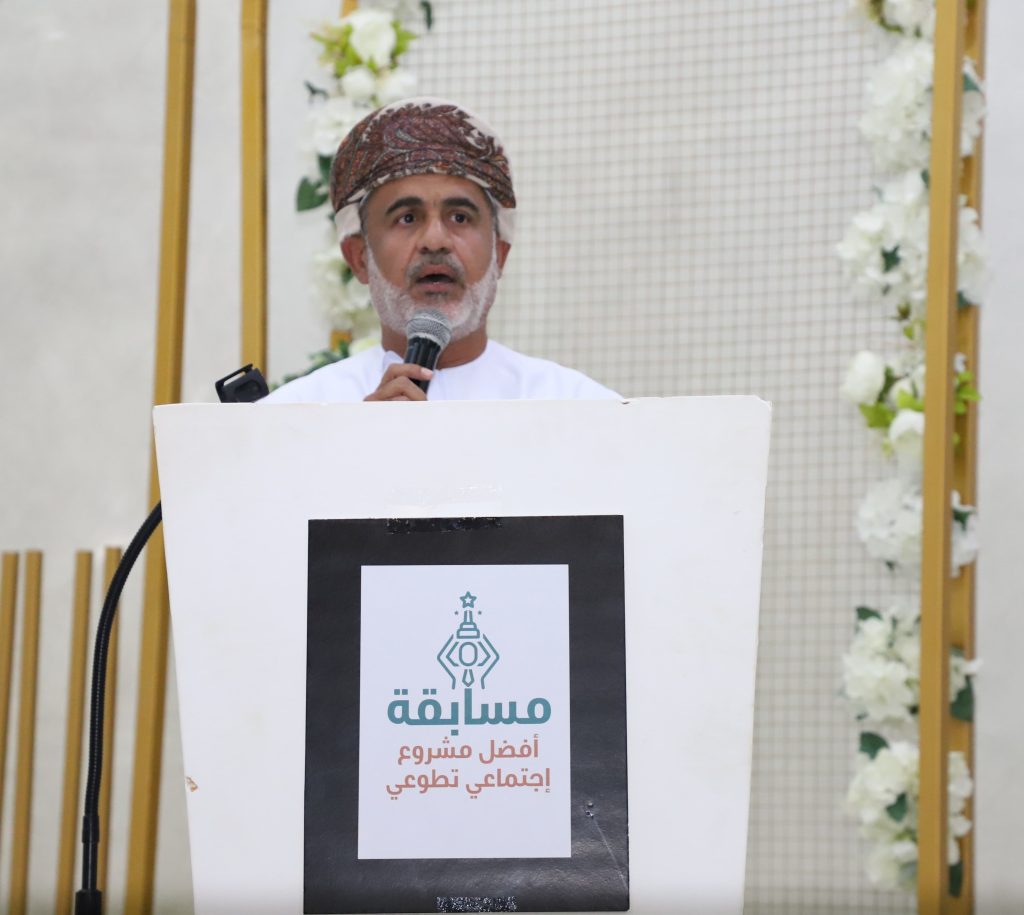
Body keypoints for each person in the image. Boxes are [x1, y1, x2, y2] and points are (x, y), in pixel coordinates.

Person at [264, 98, 619, 403]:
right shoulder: (295, 418)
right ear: (359, 258)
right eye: (407, 218)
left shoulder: (579, 408)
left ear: (499, 254)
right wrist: (359, 443)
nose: (435, 240)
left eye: (460, 217)